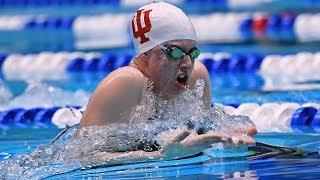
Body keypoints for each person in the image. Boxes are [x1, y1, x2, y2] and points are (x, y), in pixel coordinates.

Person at [76, 2, 256, 166]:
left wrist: (226, 142)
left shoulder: (197, 78)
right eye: (174, 52)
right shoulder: (126, 82)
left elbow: (202, 132)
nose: (187, 63)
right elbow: (82, 158)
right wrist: (159, 156)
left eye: (192, 53)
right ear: (145, 53)